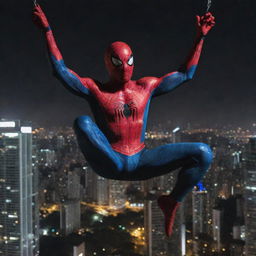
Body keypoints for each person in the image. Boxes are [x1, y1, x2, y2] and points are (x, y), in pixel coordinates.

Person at [33, 5, 215, 236]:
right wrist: (47, 30)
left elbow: (185, 74)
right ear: (107, 64)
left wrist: (200, 37)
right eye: (117, 62)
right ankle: (121, 163)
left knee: (203, 153)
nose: (125, 68)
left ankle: (171, 202)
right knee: (83, 122)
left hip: (141, 160)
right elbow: (61, 71)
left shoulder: (146, 87)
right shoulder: (95, 89)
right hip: (111, 161)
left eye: (129, 62)